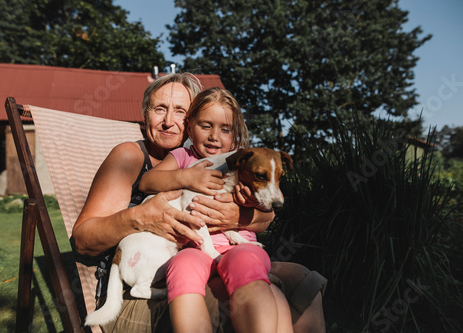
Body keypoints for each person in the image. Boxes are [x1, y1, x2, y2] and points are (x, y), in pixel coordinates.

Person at [72, 72, 326, 332]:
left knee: (304, 281)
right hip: (147, 277)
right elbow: (82, 240)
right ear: (145, 113)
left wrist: (240, 216)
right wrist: (140, 217)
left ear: (189, 119)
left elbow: (265, 210)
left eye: (179, 111)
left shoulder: (217, 161)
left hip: (209, 253)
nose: (168, 121)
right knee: (257, 295)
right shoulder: (131, 157)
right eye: (159, 109)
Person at [139, 87, 293, 333]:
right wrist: (186, 177)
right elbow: (147, 182)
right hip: (194, 248)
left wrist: (249, 206)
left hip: (239, 246)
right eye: (205, 126)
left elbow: (268, 211)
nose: (214, 136)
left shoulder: (244, 163)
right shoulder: (183, 157)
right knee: (182, 265)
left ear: (236, 133)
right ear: (189, 127)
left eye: (225, 129)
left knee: (243, 261)